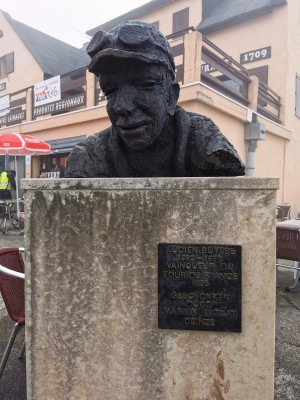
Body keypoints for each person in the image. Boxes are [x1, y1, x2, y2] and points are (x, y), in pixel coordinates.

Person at [65, 21, 245, 178]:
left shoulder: (207, 144)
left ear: (171, 96)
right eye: (110, 90)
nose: (121, 106)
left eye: (144, 84)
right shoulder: (90, 157)